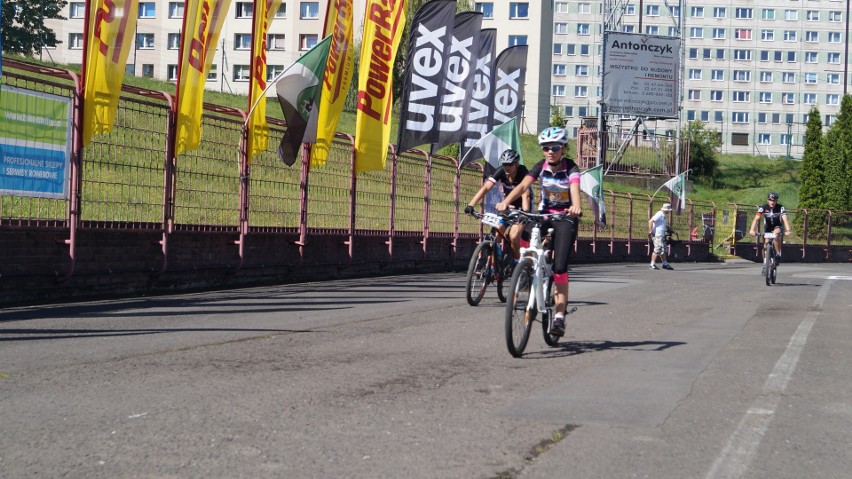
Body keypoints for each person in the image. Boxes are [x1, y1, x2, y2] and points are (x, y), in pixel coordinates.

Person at [495, 126, 582, 337]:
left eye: (554, 147)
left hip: (565, 217)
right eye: (545, 148)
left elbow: (574, 188)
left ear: (563, 148)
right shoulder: (540, 166)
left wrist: (576, 206)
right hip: (544, 215)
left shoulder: (571, 167)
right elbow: (524, 186)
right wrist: (506, 201)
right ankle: (526, 268)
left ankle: (559, 317)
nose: (549, 151)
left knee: (560, 267)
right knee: (523, 232)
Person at [464, 149, 531, 260]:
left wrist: (524, 213)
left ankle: (517, 262)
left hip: (522, 208)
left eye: (510, 164)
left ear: (517, 164)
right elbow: (486, 187)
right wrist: (470, 205)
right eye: (505, 164)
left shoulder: (523, 172)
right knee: (497, 234)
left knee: (513, 236)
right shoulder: (501, 171)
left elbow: (526, 195)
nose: (507, 167)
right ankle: (494, 267)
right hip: (507, 207)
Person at [749, 192, 791, 267]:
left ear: (776, 201)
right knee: (765, 244)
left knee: (775, 235)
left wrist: (788, 230)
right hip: (767, 228)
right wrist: (752, 230)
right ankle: (765, 262)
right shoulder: (763, 207)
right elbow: (756, 219)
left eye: (774, 200)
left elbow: (785, 219)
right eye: (770, 200)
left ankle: (778, 253)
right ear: (768, 200)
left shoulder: (780, 207)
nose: (772, 202)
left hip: (776, 226)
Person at [648, 203, 674, 270]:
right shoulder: (659, 214)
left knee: (663, 250)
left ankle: (665, 263)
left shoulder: (663, 215)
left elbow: (662, 224)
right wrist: (650, 230)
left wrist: (668, 227)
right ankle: (652, 264)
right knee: (657, 249)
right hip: (657, 235)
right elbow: (650, 221)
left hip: (661, 235)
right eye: (668, 210)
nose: (669, 211)